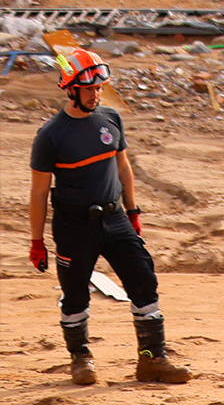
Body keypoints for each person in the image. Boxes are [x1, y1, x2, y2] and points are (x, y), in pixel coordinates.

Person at [29, 48, 191, 385]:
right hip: (74, 226)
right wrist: (36, 241)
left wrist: (133, 211)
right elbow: (39, 193)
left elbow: (123, 167)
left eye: (99, 88)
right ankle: (81, 360)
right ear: (71, 89)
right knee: (75, 294)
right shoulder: (50, 135)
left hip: (115, 219)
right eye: (89, 89)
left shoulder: (111, 118)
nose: (96, 94)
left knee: (143, 280)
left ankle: (152, 360)